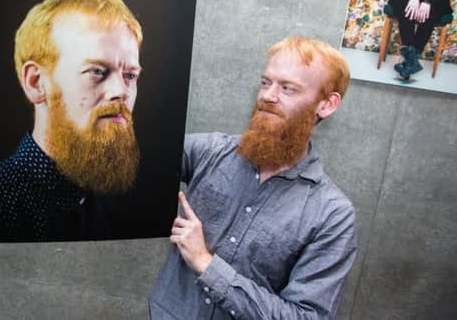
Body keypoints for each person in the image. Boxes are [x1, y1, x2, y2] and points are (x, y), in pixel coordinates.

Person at [149, 37, 357, 319]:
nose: (267, 96)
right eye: (265, 82)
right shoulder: (210, 151)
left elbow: (306, 317)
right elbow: (139, 154)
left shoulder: (332, 215)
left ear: (327, 105)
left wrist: (205, 263)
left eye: (288, 88)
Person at [0, 0, 143, 242]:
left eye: (130, 75)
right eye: (97, 71)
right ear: (36, 83)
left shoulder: (115, 211)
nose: (121, 91)